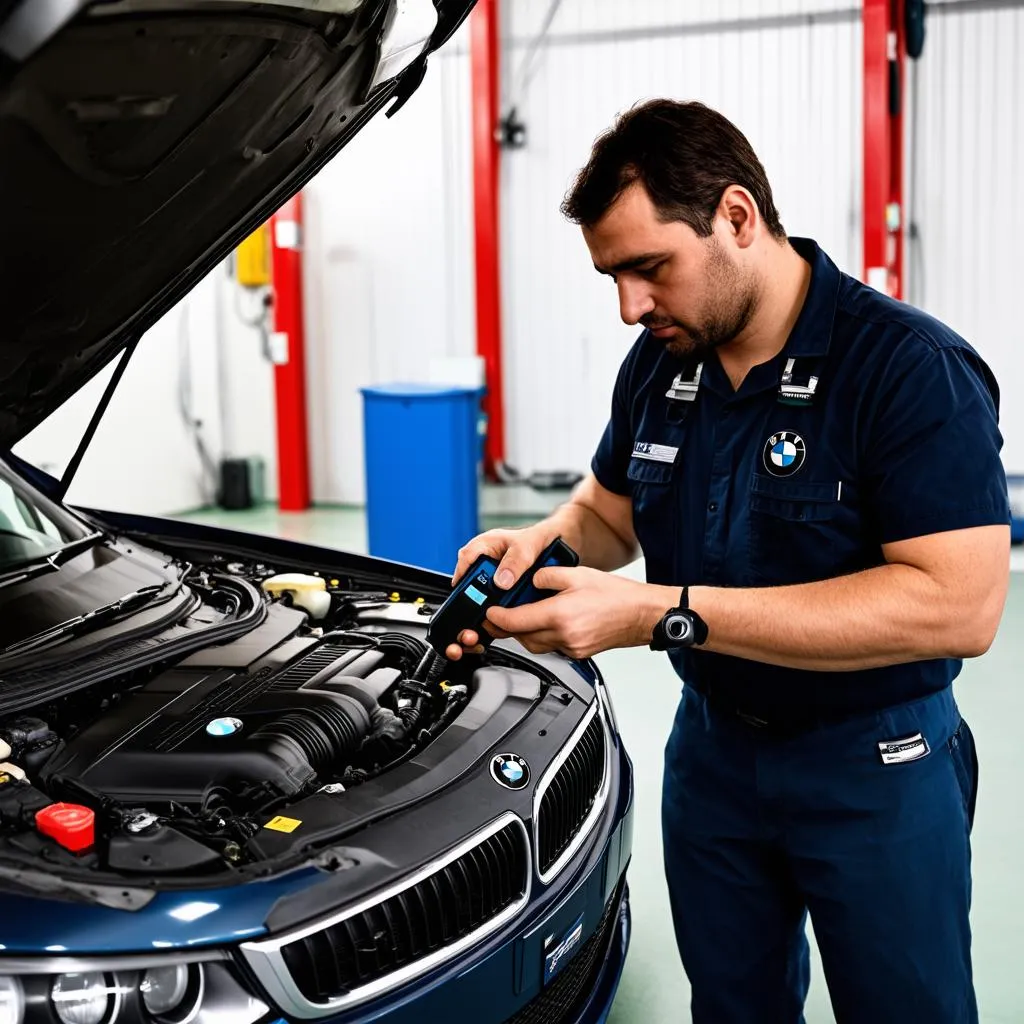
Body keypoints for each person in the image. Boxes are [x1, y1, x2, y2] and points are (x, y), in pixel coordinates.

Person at [445, 99, 1010, 1023]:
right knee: (735, 1003)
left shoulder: (908, 370)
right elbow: (606, 510)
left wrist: (660, 612)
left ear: (736, 218)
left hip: (875, 759)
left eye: (649, 268)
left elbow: (960, 608)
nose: (631, 306)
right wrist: (541, 543)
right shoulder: (664, 363)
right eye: (613, 278)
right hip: (714, 754)